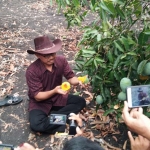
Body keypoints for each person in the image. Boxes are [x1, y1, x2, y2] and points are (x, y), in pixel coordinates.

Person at [26, 35, 86, 134]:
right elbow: (37, 97)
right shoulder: (32, 71)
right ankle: (63, 118)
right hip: (40, 102)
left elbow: (70, 77)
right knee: (36, 125)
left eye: (53, 53)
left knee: (80, 102)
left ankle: (55, 119)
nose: (51, 58)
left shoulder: (61, 60)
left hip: (58, 97)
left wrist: (77, 81)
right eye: (46, 55)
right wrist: (54, 91)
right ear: (38, 55)